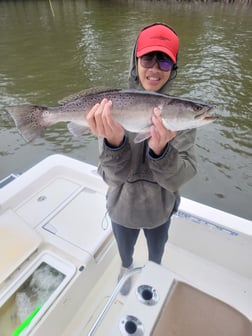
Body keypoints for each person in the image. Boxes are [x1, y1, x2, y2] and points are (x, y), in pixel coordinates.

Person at [87, 23, 197, 295]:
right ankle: (125, 268)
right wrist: (114, 144)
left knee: (156, 253)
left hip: (160, 212)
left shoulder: (183, 118)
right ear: (135, 60)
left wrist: (162, 153)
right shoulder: (110, 108)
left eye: (165, 61)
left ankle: (153, 273)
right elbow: (111, 177)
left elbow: (183, 175)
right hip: (121, 210)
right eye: (148, 58)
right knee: (125, 253)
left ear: (174, 68)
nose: (155, 68)